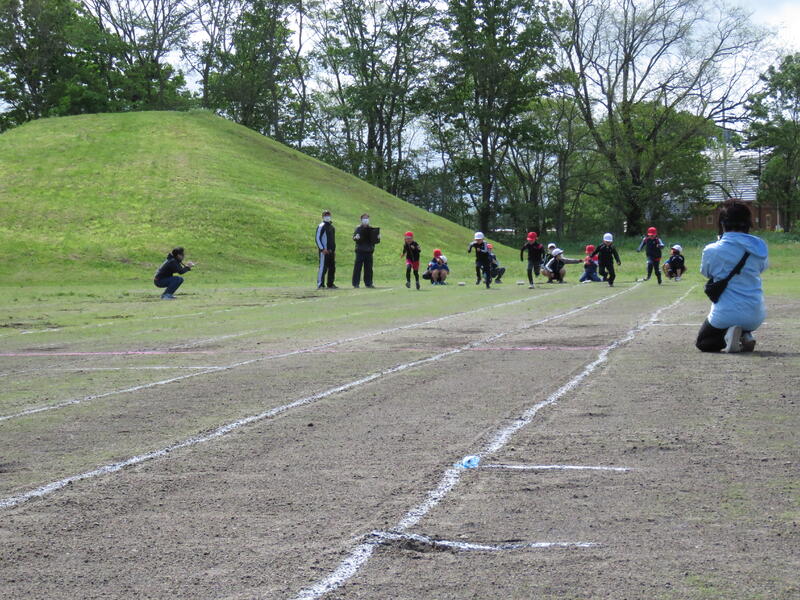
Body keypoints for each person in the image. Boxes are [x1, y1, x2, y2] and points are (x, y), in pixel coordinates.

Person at [696, 200, 768, 353]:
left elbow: (707, 273)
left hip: (725, 313)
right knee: (743, 319)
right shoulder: (760, 246)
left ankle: (729, 336)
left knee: (703, 342)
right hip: (755, 314)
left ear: (723, 224)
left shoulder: (711, 249)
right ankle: (745, 334)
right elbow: (761, 269)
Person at [352, 213, 380, 288]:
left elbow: (375, 241)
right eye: (364, 218)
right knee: (357, 268)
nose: (366, 220)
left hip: (369, 251)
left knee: (368, 269)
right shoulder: (358, 228)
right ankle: (356, 283)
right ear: (361, 220)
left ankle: (368, 283)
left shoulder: (371, 229)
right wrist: (356, 237)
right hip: (360, 251)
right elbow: (354, 238)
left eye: (367, 218)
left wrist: (378, 238)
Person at [315, 210, 337, 289]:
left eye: (328, 215)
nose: (327, 216)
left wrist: (334, 251)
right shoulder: (321, 226)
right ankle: (320, 284)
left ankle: (330, 284)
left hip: (331, 251)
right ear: (323, 216)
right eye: (325, 215)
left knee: (332, 268)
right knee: (323, 267)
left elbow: (333, 240)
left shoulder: (332, 227)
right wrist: (322, 249)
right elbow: (317, 238)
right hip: (324, 251)